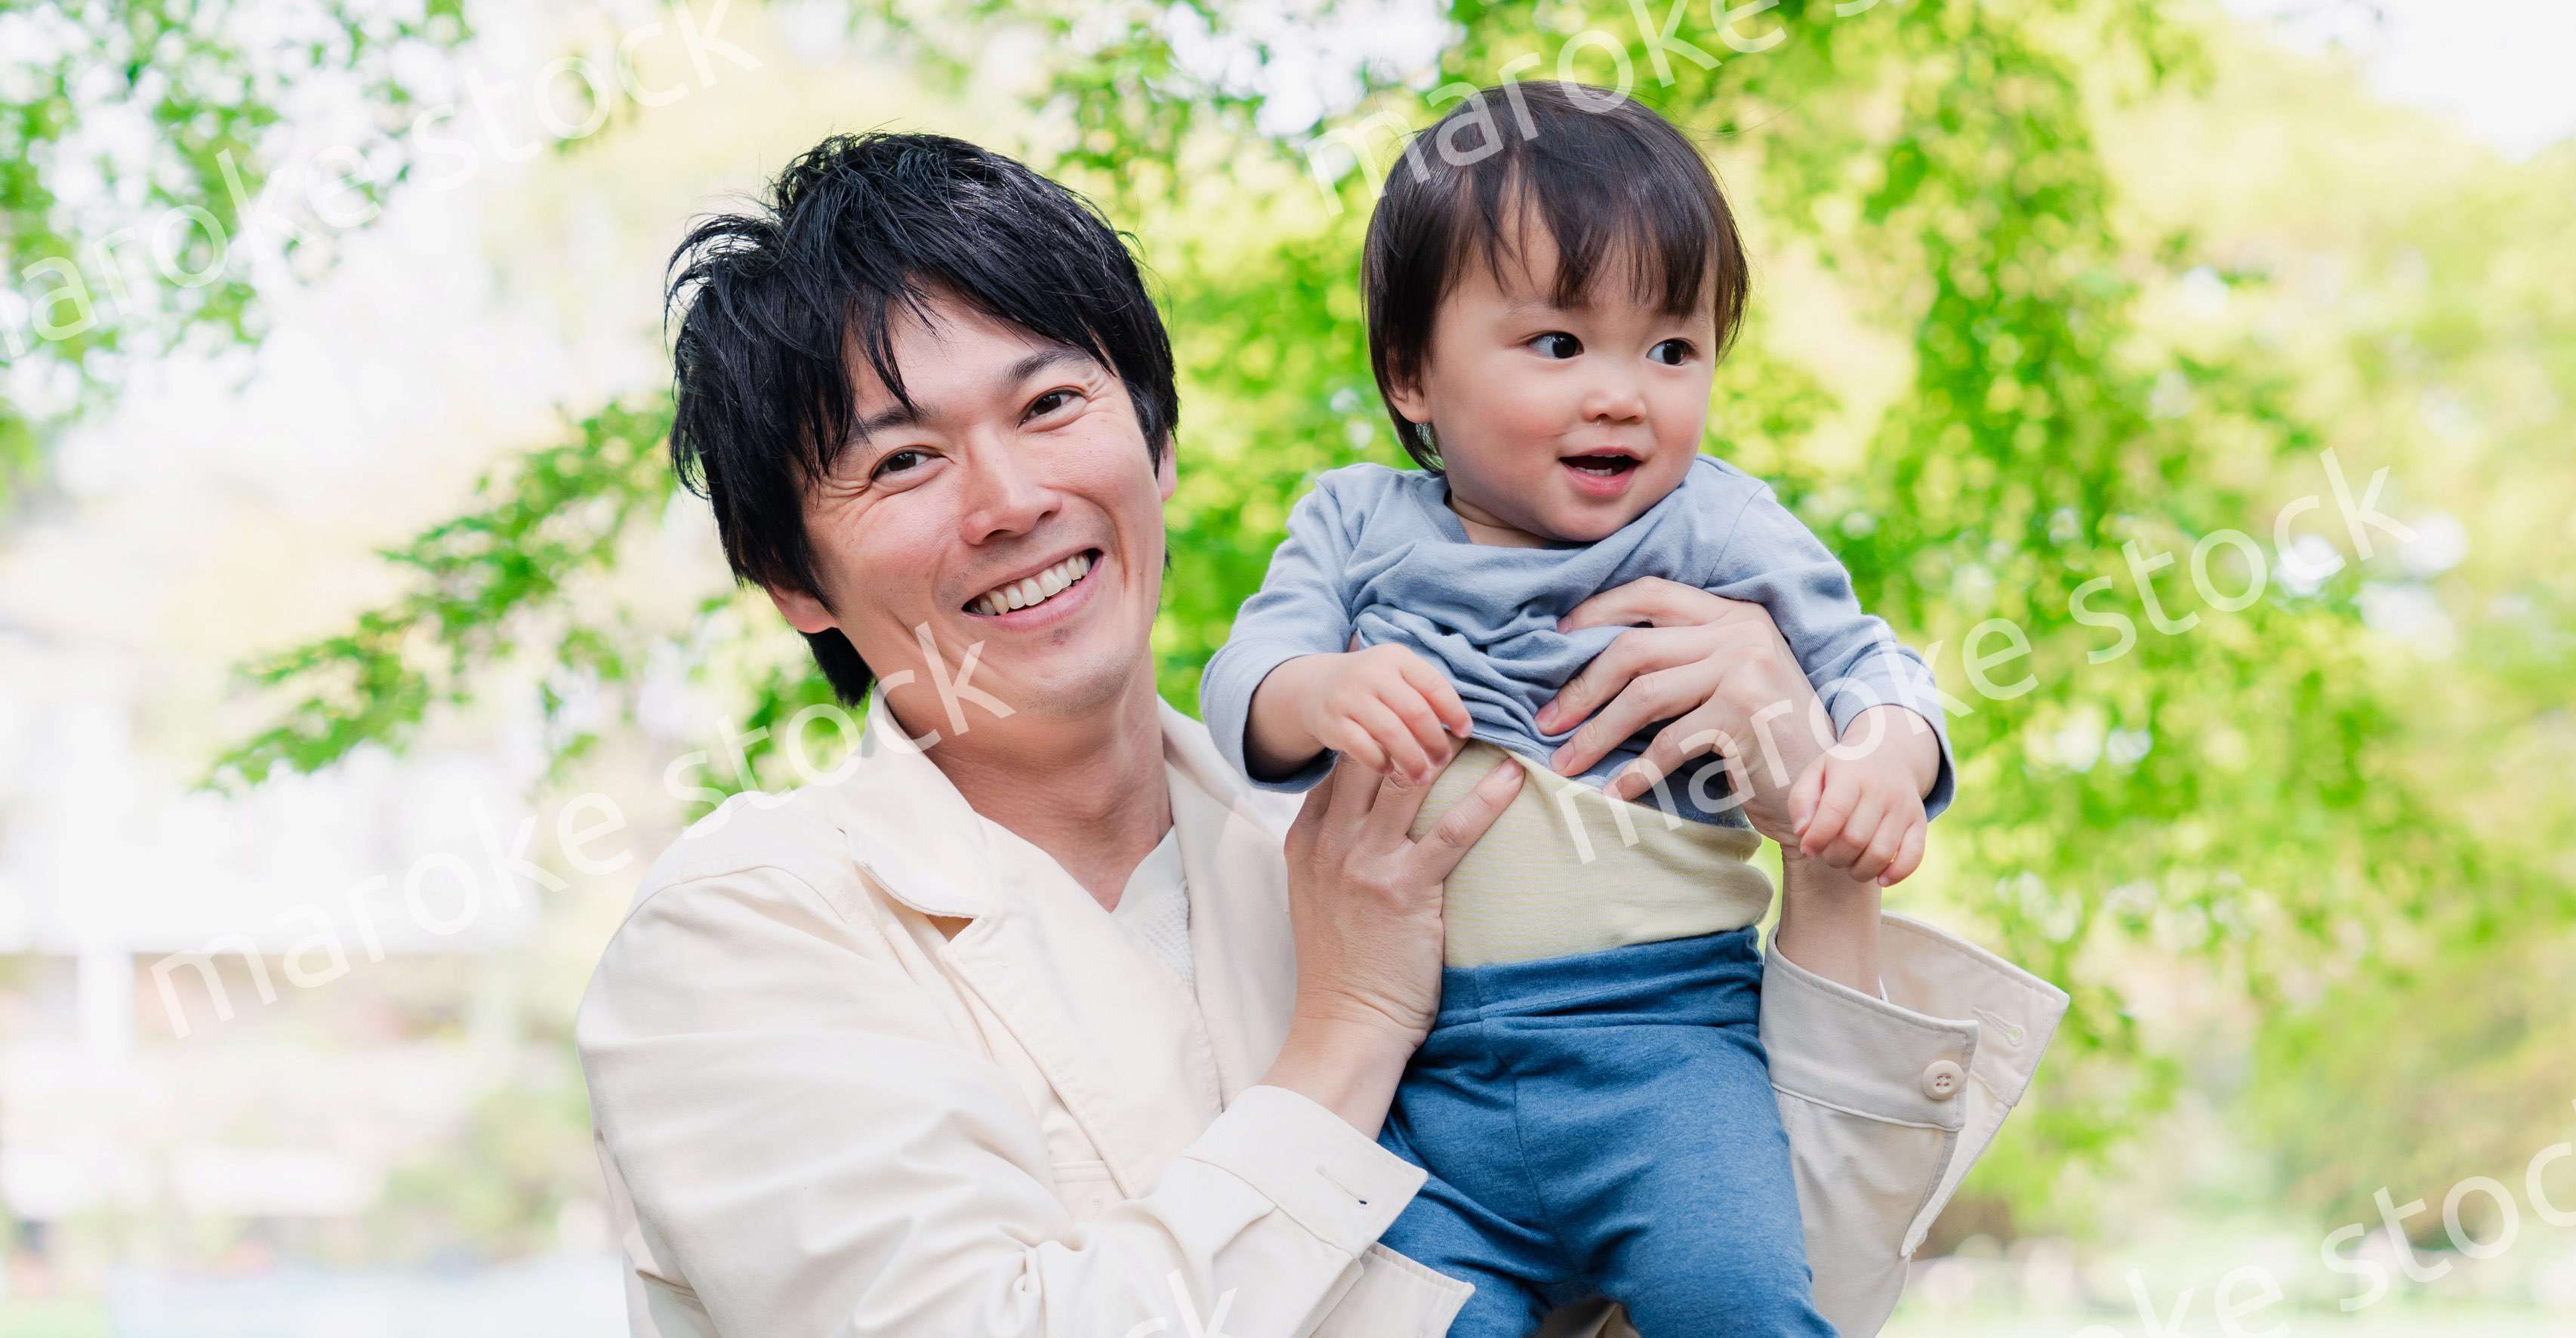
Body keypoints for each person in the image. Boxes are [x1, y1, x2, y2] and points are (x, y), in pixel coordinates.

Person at [575, 131, 2069, 1338]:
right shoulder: (744, 931)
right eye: (902, 458)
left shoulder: (1392, 811)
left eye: (1050, 403)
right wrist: (1346, 1036)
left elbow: (1785, 1284)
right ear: (786, 576)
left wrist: (1815, 835)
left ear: (1156, 439)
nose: (1007, 496)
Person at [1200, 85, 1959, 1338]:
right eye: (1559, 346)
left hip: (1668, 1050)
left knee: (1744, 1301)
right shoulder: (1354, 522)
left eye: (1672, 349)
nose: (1623, 395)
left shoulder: (1712, 521)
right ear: (1410, 375)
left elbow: (1872, 664)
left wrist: (1881, 754)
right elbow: (1244, 684)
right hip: (1425, 1083)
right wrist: (1323, 691)